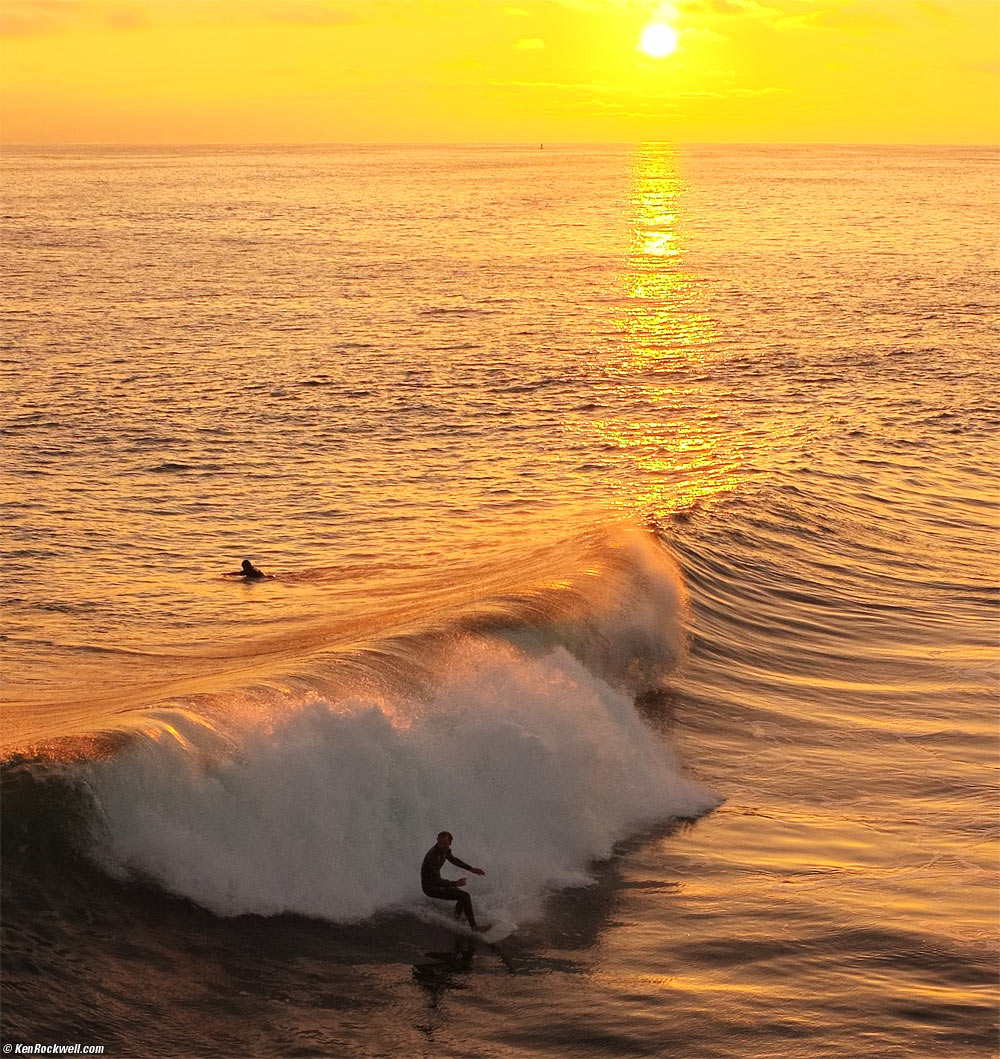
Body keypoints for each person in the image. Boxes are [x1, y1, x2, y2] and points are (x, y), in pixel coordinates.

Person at [421, 831, 488, 932]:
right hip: (430, 888)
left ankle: (455, 918)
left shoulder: (446, 851)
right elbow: (436, 881)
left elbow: (454, 860)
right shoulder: (433, 856)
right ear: (437, 841)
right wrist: (455, 883)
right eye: (440, 843)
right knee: (465, 896)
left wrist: (471, 869)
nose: (442, 845)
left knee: (460, 894)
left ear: (450, 843)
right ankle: (474, 928)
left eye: (445, 843)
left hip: (436, 884)